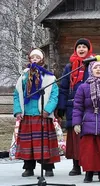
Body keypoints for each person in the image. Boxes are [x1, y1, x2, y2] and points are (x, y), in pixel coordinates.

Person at [13, 48, 60, 177]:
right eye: (32, 57)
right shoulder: (23, 77)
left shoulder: (49, 77)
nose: (34, 59)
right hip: (27, 115)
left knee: (45, 144)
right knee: (28, 144)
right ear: (29, 59)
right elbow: (17, 94)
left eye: (37, 57)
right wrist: (18, 110)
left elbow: (54, 95)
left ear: (42, 60)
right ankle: (29, 167)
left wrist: (48, 109)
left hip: (42, 115)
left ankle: (48, 167)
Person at [58, 38, 93, 176]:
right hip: (73, 106)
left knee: (88, 137)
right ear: (75, 49)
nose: (82, 49)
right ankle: (76, 165)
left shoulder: (94, 64)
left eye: (85, 46)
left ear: (89, 49)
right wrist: (61, 106)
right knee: (74, 138)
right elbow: (64, 88)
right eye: (79, 47)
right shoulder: (69, 66)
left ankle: (90, 165)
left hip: (89, 106)